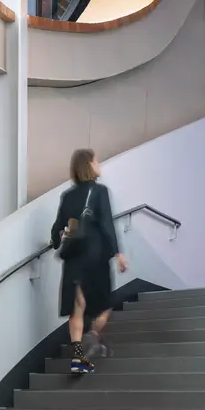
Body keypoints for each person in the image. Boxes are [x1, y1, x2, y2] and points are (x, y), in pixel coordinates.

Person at [51, 148, 128, 374]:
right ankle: (93, 336)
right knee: (105, 305)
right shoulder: (100, 191)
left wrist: (58, 241)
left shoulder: (67, 196)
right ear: (89, 165)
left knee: (77, 309)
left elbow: (58, 228)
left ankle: (78, 357)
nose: (99, 164)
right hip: (95, 256)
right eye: (96, 161)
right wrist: (117, 253)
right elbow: (106, 224)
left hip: (73, 257)